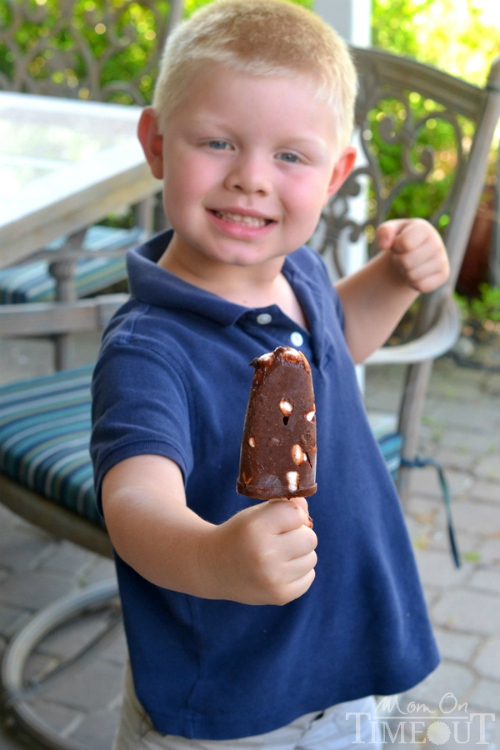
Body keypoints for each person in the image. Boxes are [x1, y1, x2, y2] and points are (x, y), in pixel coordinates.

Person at [90, 1, 449, 747]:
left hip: (339, 664)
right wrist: (212, 556)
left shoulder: (302, 272)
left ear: (335, 174)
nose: (251, 179)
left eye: (291, 156)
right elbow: (133, 503)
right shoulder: (150, 347)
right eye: (218, 142)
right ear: (157, 144)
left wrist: (395, 279)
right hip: (231, 696)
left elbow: (337, 343)